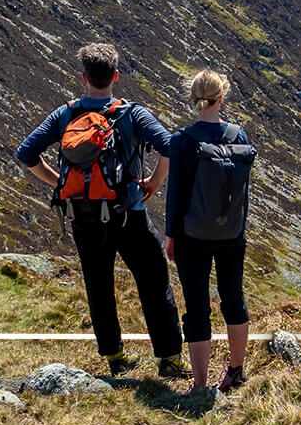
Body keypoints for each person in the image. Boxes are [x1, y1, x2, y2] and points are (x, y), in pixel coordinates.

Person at [16, 42, 188, 379]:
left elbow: (26, 153)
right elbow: (170, 146)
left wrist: (59, 183)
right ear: (116, 75)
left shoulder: (66, 114)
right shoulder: (131, 113)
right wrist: (153, 181)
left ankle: (115, 356)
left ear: (84, 78)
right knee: (153, 280)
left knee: (98, 284)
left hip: (83, 214)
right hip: (128, 213)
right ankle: (169, 358)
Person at [165, 67, 254, 405]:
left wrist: (171, 236)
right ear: (222, 97)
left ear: (192, 98)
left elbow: (176, 195)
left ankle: (200, 385)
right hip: (232, 233)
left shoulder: (182, 141)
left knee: (197, 307)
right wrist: (239, 227)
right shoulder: (239, 137)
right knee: (234, 298)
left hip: (192, 236)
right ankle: (235, 370)